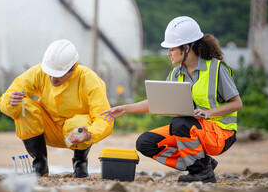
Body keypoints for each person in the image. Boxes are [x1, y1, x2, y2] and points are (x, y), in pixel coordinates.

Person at [101, 16, 243, 183]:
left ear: (187, 47)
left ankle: (202, 173)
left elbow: (237, 104)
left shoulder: (216, 69)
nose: (168, 53)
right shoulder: (176, 74)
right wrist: (124, 108)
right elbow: (156, 101)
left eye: (171, 49)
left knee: (180, 124)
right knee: (145, 143)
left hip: (221, 133)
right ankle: (203, 163)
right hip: (191, 130)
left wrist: (209, 112)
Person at [0, 39, 113, 178]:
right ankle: (40, 164)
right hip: (46, 129)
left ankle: (80, 162)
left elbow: (104, 118)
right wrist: (10, 102)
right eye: (49, 73)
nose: (52, 78)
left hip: (76, 134)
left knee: (80, 124)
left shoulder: (89, 79)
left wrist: (90, 135)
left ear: (72, 69)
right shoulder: (39, 72)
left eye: (57, 75)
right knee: (24, 105)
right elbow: (9, 95)